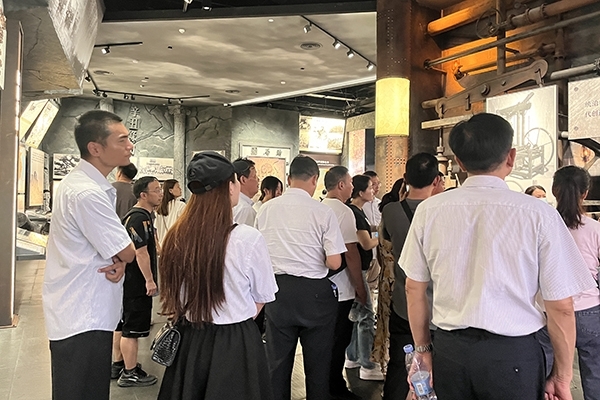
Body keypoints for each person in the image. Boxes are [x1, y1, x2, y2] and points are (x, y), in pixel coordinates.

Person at [401, 113, 596, 400]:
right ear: (511, 157)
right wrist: (562, 376)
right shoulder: (539, 214)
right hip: (514, 357)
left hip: (450, 352)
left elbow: (413, 288)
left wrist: (423, 351)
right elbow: (562, 307)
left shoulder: (429, 211)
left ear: (459, 162)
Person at [157, 151, 278, 400]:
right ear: (230, 187)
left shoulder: (176, 236)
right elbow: (262, 296)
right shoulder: (247, 238)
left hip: (190, 341)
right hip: (236, 342)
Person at [42, 110, 136, 400]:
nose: (130, 145)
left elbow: (116, 251)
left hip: (81, 309)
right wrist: (122, 258)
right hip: (84, 313)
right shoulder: (87, 193)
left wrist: (119, 259)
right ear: (95, 148)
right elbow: (127, 251)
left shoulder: (82, 184)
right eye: (122, 140)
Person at [256, 155, 346, 400]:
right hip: (314, 294)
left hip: (277, 291)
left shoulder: (266, 210)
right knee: (318, 366)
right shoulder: (323, 212)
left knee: (277, 365)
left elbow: (258, 253)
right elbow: (335, 262)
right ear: (315, 179)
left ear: (288, 179)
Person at [378, 153, 441, 400]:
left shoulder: (391, 210)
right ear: (436, 180)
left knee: (399, 363)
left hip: (403, 303)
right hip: (438, 307)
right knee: (437, 368)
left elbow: (385, 244)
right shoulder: (441, 211)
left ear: (405, 178)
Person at [543, 166, 600, 400]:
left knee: (546, 376)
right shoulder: (595, 228)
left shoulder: (543, 225)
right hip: (589, 311)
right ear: (585, 193)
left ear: (554, 191)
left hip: (549, 311)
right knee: (595, 374)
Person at [111, 176, 162, 387]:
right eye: (156, 190)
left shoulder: (141, 216)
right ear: (143, 195)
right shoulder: (139, 218)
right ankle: (130, 373)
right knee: (132, 329)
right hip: (135, 282)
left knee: (123, 325)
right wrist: (149, 280)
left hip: (128, 281)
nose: (160, 193)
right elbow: (141, 252)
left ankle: (119, 364)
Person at [322, 166, 366, 400]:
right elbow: (351, 253)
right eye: (350, 183)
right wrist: (360, 286)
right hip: (341, 286)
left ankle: (323, 386)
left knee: (325, 340)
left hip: (322, 287)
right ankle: (335, 387)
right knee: (340, 339)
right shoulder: (343, 211)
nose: (352, 187)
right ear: (340, 185)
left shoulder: (319, 207)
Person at [345, 174, 383, 381]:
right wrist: (382, 236)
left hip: (359, 269)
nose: (373, 190)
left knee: (358, 314)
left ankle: (352, 356)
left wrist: (375, 231)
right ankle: (368, 364)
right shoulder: (355, 213)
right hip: (357, 270)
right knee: (367, 314)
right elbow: (366, 243)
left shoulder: (357, 211)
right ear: (360, 192)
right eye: (370, 187)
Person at [371, 178, 407, 374]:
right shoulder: (399, 214)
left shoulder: (387, 214)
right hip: (399, 278)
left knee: (386, 320)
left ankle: (385, 363)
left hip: (386, 277)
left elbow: (380, 247)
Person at [155, 179, 186, 247]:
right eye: (178, 187)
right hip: (175, 245)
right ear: (170, 191)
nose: (180, 189)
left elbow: (156, 230)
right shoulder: (181, 205)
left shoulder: (159, 209)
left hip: (161, 245)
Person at [232, 157, 259, 225]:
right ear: (243, 180)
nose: (258, 179)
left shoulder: (232, 203)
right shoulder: (245, 209)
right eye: (254, 176)